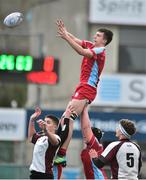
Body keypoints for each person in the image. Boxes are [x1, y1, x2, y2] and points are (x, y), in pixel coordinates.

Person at [54, 19, 113, 166]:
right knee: (64, 120)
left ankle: (61, 155)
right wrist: (66, 32)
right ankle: (58, 150)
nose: (95, 36)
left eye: (98, 35)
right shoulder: (93, 46)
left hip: (87, 88)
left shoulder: (99, 51)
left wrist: (66, 37)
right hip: (83, 87)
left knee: (68, 119)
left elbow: (81, 51)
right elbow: (77, 41)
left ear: (104, 40)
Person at [28, 107, 73, 179]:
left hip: (45, 175)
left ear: (55, 127)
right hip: (34, 174)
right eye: (45, 121)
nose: (45, 123)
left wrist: (46, 130)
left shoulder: (56, 137)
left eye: (48, 122)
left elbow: (55, 142)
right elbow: (31, 137)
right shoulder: (41, 136)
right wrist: (32, 120)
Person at [80, 106, 107, 179]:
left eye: (86, 133)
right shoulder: (89, 147)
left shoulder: (95, 146)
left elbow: (86, 127)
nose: (84, 135)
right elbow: (84, 128)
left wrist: (84, 109)